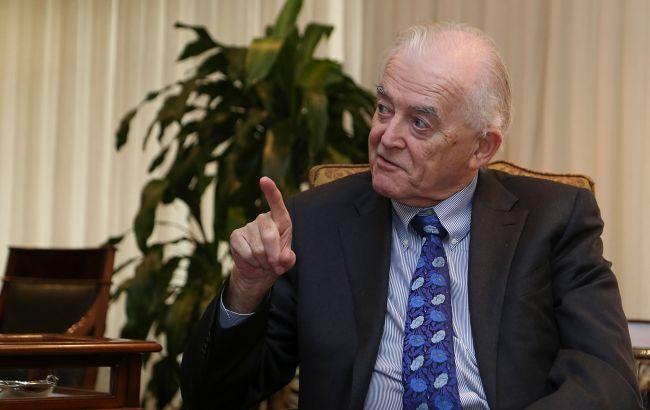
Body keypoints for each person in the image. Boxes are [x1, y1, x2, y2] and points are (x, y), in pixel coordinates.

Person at [180, 23, 642, 410]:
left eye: (420, 122)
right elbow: (214, 396)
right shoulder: (315, 223)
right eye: (384, 109)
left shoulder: (554, 220)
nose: (386, 137)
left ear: (482, 147)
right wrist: (246, 289)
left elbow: (606, 380)